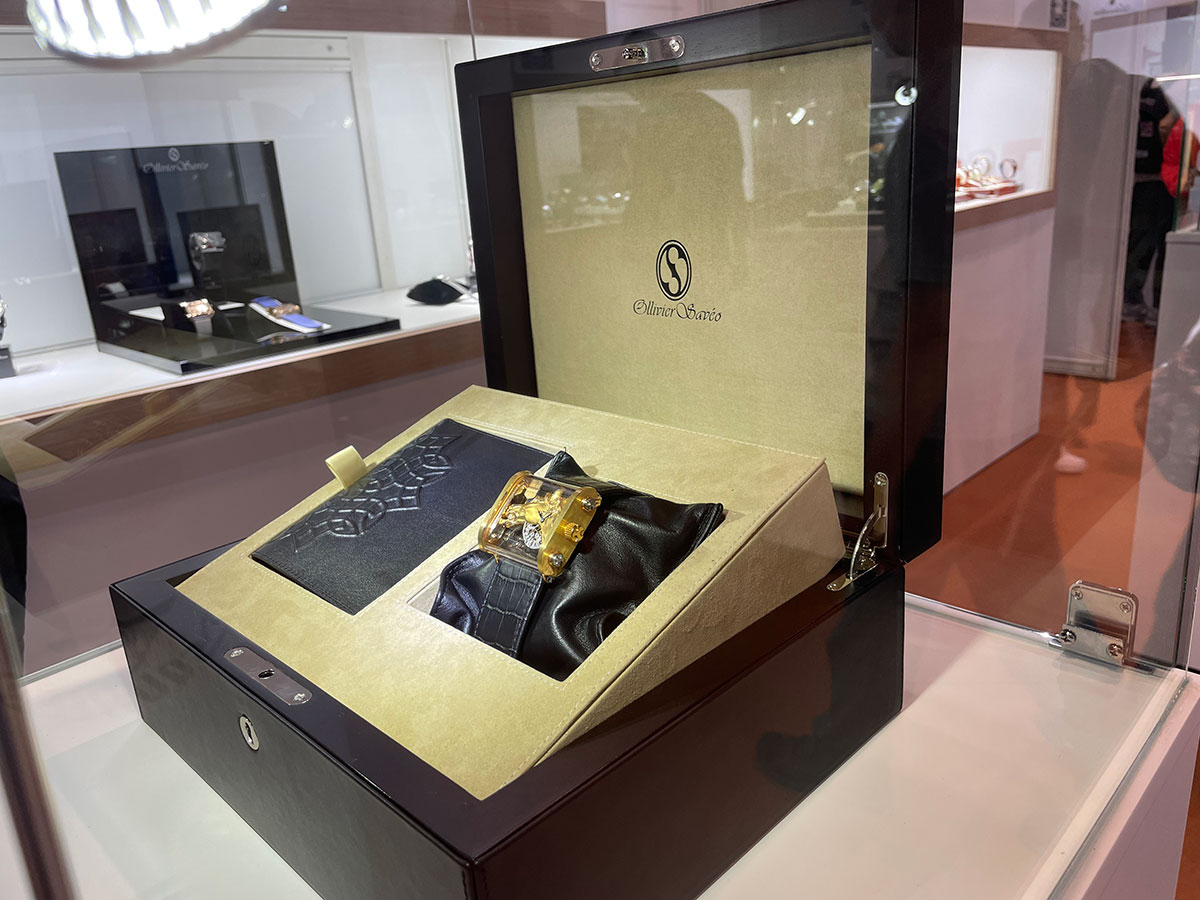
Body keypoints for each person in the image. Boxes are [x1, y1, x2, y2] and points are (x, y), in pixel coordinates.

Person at [1123, 78, 1179, 327]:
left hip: (1144, 176)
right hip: (1163, 178)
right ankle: (1157, 306)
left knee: (1141, 242)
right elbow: (1166, 127)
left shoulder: (1146, 89)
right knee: (1162, 245)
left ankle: (1132, 300)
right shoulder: (1174, 90)